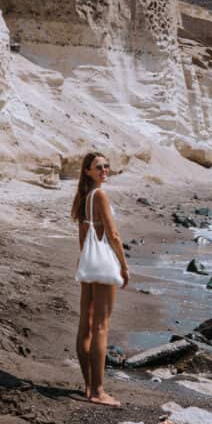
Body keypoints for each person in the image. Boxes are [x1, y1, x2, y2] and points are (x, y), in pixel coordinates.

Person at [71, 151, 129, 406]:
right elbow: (113, 235)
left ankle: (88, 386)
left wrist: (84, 260)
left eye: (106, 165)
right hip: (104, 262)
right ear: (87, 171)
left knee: (87, 322)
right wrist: (125, 267)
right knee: (101, 326)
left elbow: (83, 234)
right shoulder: (101, 195)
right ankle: (98, 391)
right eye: (98, 167)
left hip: (89, 263)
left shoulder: (83, 197)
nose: (104, 170)